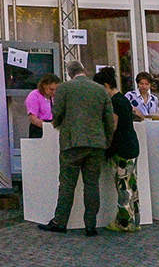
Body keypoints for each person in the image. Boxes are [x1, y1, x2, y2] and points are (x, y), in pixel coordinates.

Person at [44, 61, 118, 234]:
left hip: (72, 143)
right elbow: (109, 119)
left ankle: (60, 222)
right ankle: (90, 225)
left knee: (67, 184)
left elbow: (57, 113)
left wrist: (58, 125)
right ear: (84, 70)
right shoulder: (100, 89)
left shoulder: (64, 88)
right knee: (92, 184)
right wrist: (106, 140)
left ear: (69, 73)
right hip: (96, 143)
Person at [97, 67, 141, 232]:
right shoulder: (123, 99)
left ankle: (124, 222)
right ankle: (135, 221)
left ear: (107, 85)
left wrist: (107, 147)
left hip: (122, 148)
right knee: (132, 184)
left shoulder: (115, 101)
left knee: (123, 187)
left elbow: (113, 127)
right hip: (131, 145)